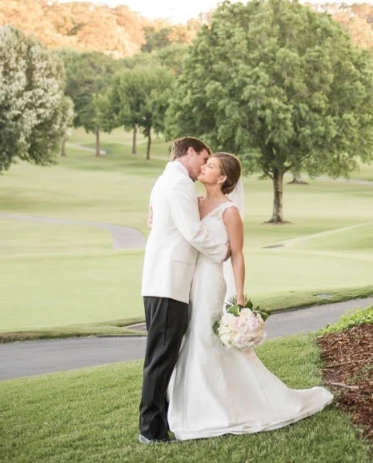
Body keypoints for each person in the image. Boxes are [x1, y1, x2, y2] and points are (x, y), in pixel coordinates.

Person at [167, 152, 333, 440]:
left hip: (209, 281)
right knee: (192, 338)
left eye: (211, 166)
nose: (203, 167)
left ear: (222, 178)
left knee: (205, 339)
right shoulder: (195, 203)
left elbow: (238, 256)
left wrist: (240, 297)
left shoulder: (229, 211)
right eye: (204, 163)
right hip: (189, 280)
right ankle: (192, 401)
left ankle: (213, 407)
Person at [138, 136, 228, 445]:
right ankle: (150, 430)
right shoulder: (178, 185)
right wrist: (222, 249)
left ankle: (161, 423)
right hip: (168, 282)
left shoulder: (166, 180)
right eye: (203, 159)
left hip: (165, 282)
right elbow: (192, 232)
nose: (204, 165)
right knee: (161, 357)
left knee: (163, 356)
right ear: (189, 152)